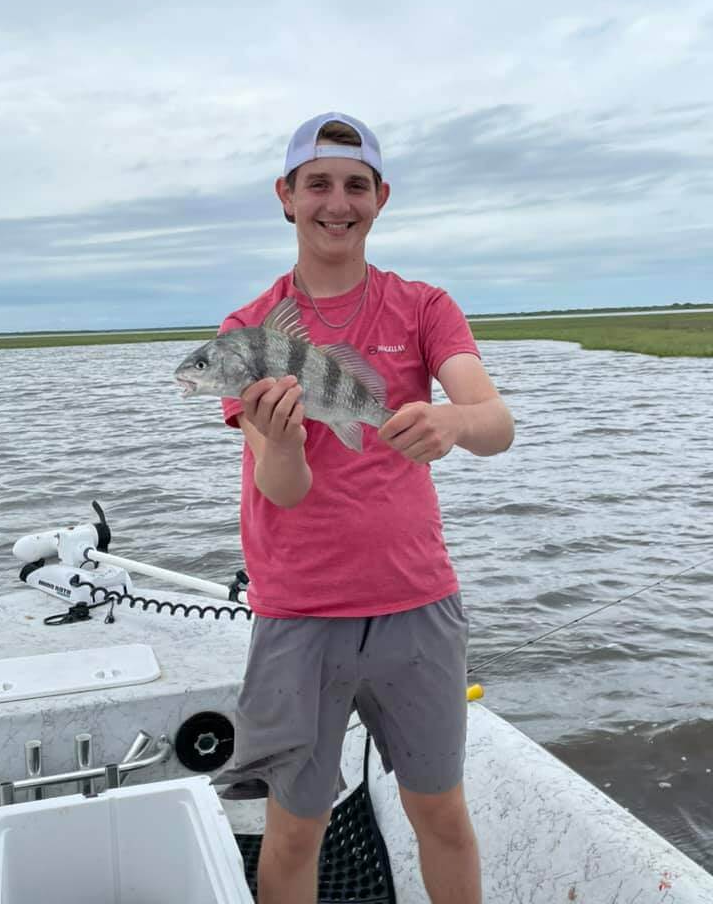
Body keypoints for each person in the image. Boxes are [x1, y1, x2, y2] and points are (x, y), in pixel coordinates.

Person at [219, 112, 514, 904]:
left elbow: (496, 424)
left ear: (381, 199)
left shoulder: (423, 307)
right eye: (317, 184)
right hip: (299, 613)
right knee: (292, 829)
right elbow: (282, 488)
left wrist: (451, 420)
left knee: (441, 813)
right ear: (286, 196)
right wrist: (281, 440)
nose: (336, 202)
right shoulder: (248, 331)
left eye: (356, 185)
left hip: (419, 602)